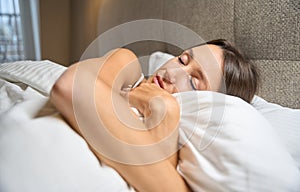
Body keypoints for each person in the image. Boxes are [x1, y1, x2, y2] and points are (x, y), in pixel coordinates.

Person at [50, 39, 259, 191]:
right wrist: (166, 106)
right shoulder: (128, 66)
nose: (171, 73)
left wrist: (163, 112)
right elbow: (72, 87)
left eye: (194, 82)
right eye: (182, 60)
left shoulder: (187, 153)